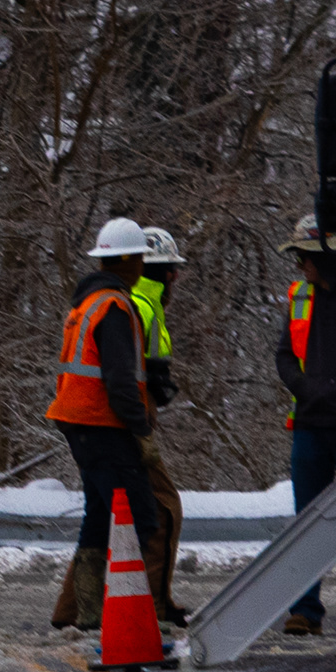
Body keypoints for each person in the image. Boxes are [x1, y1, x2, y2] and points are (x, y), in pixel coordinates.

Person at [45, 216, 158, 634]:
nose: (144, 265)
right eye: (141, 258)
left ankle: (91, 613)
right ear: (129, 261)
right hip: (103, 424)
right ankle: (124, 616)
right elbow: (119, 380)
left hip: (80, 423)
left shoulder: (86, 303)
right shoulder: (113, 306)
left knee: (99, 515)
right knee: (138, 518)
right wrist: (140, 430)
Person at [274, 209, 336, 637]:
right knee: (305, 522)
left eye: (303, 256)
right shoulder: (298, 296)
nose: (299, 265)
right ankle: (304, 611)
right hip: (309, 426)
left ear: (323, 257)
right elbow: (284, 354)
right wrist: (304, 387)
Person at [131, 224, 190, 625]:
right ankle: (153, 604)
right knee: (164, 509)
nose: (175, 277)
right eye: (171, 269)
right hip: (132, 421)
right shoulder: (141, 305)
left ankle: (75, 611)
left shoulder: (144, 305)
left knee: (106, 515)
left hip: (131, 417)